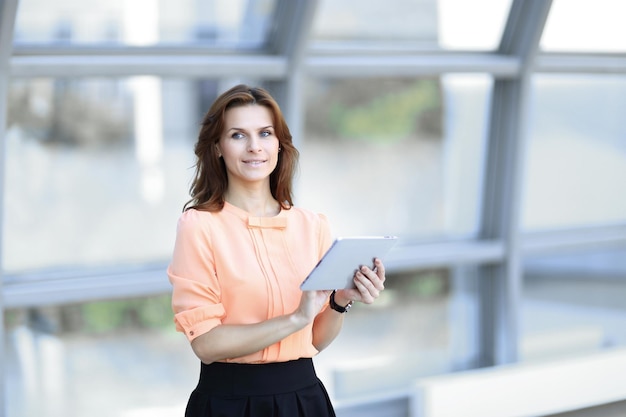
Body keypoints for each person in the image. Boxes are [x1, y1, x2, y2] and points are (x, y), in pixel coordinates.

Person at [167, 84, 387, 417]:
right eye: (238, 135)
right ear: (217, 148)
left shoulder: (312, 225)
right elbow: (206, 344)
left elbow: (314, 341)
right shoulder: (200, 225)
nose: (255, 147)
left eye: (265, 133)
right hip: (230, 405)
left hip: (304, 400)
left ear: (279, 145)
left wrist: (341, 300)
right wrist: (296, 318)